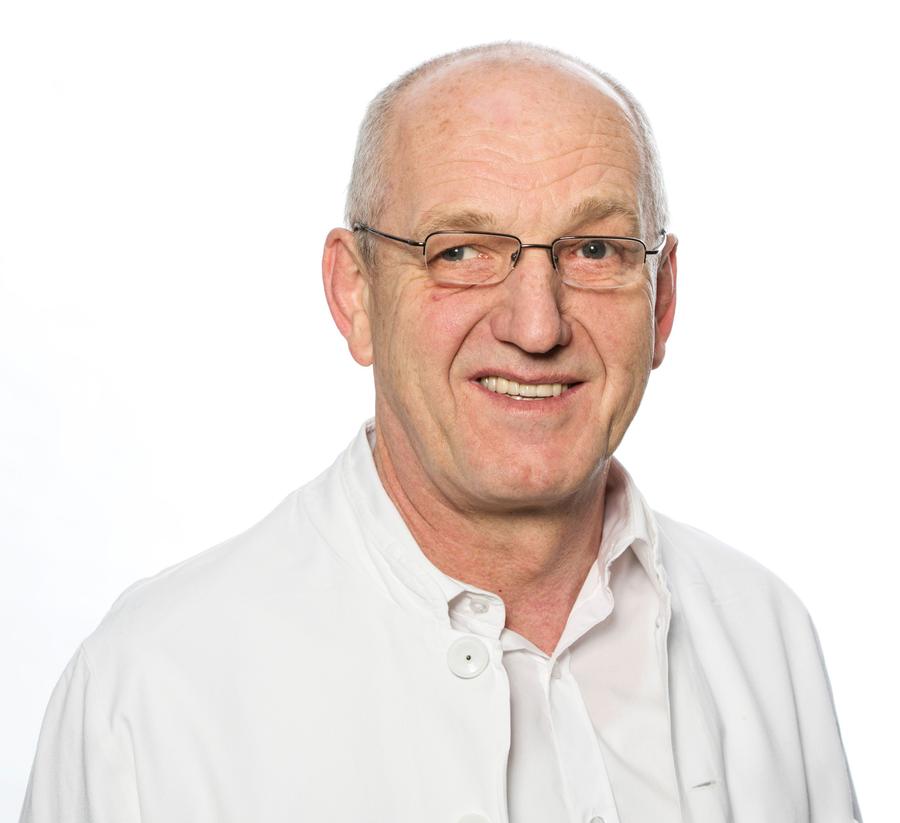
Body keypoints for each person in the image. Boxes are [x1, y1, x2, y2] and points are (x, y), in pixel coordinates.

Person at [20, 42, 861, 823]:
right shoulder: (154, 693)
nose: (536, 326)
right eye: (461, 252)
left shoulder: (763, 633)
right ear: (355, 293)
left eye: (595, 250)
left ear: (662, 299)